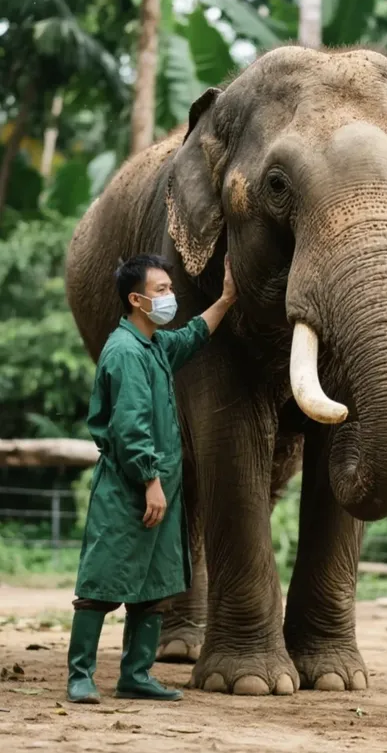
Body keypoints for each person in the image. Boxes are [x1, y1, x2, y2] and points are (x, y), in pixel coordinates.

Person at [67, 253, 237, 704]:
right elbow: (130, 425)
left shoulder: (154, 346)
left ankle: (136, 675)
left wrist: (226, 299)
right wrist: (150, 481)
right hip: (128, 488)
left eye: (169, 289)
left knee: (153, 587)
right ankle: (80, 676)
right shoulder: (125, 352)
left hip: (158, 486)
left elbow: (192, 335)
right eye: (161, 290)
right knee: (101, 582)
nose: (170, 297)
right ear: (136, 300)